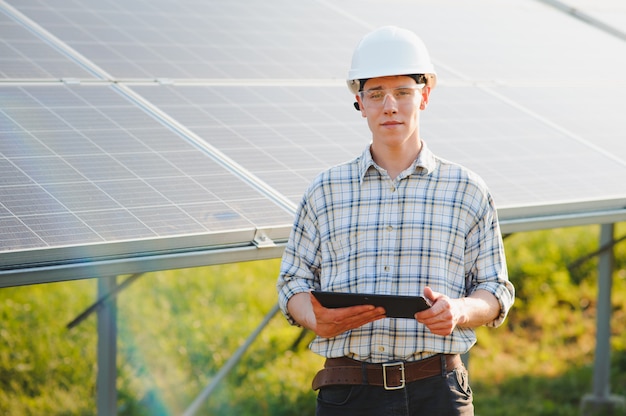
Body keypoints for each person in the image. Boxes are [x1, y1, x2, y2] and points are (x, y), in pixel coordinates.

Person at [276, 26, 515, 416]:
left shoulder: (467, 189)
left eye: (403, 92)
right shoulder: (325, 190)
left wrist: (458, 311)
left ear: (425, 96)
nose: (390, 106)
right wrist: (314, 317)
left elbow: (494, 289)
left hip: (438, 393)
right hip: (347, 395)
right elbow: (293, 283)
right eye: (376, 94)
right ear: (360, 101)